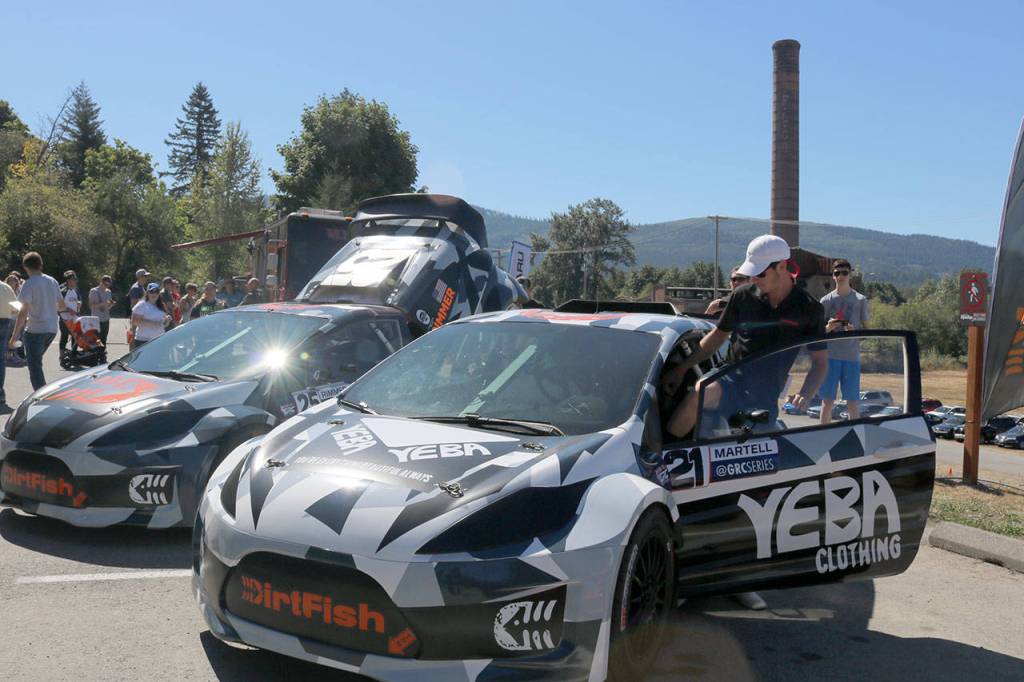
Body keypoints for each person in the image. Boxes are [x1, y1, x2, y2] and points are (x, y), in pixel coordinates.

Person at [9, 252, 70, 390]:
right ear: (41, 265)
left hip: (36, 331)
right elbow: (61, 305)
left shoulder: (29, 284)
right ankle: (42, 393)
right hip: (52, 329)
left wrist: (13, 338)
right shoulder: (52, 281)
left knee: (35, 367)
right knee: (36, 362)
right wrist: (46, 307)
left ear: (25, 267)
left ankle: (41, 396)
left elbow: (22, 312)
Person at [819, 259, 870, 424]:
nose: (840, 276)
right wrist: (828, 327)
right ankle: (822, 435)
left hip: (851, 358)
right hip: (830, 357)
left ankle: (854, 434)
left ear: (850, 274)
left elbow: (867, 332)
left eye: (844, 273)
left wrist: (854, 332)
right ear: (833, 276)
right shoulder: (825, 300)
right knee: (827, 401)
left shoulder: (860, 299)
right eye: (837, 273)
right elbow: (818, 333)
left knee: (853, 402)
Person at [131, 283, 170, 349]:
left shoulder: (161, 306)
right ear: (147, 293)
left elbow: (163, 325)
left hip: (159, 339)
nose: (154, 294)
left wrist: (167, 320)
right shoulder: (142, 304)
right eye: (151, 292)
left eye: (156, 292)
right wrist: (153, 323)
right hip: (143, 340)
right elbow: (135, 321)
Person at [0, 275, 17, 407]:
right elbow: (16, 308)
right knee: (1, 359)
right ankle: (0, 391)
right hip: (4, 322)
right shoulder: (6, 288)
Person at [58, 270, 81, 367]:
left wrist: (79, 304)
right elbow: (58, 304)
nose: (75, 281)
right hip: (64, 317)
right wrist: (68, 310)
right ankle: (62, 357)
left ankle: (73, 356)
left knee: (76, 336)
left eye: (75, 279)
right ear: (68, 280)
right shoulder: (63, 290)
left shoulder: (75, 290)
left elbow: (78, 299)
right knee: (64, 337)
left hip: (74, 317)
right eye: (73, 279)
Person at [88, 275, 115, 347]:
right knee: (95, 340)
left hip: (106, 319)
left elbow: (108, 307)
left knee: (104, 339)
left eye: (108, 285)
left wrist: (111, 305)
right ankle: (94, 356)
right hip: (96, 320)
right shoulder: (94, 291)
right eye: (105, 284)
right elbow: (91, 306)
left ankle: (102, 355)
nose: (106, 286)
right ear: (101, 282)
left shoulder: (108, 292)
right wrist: (103, 304)